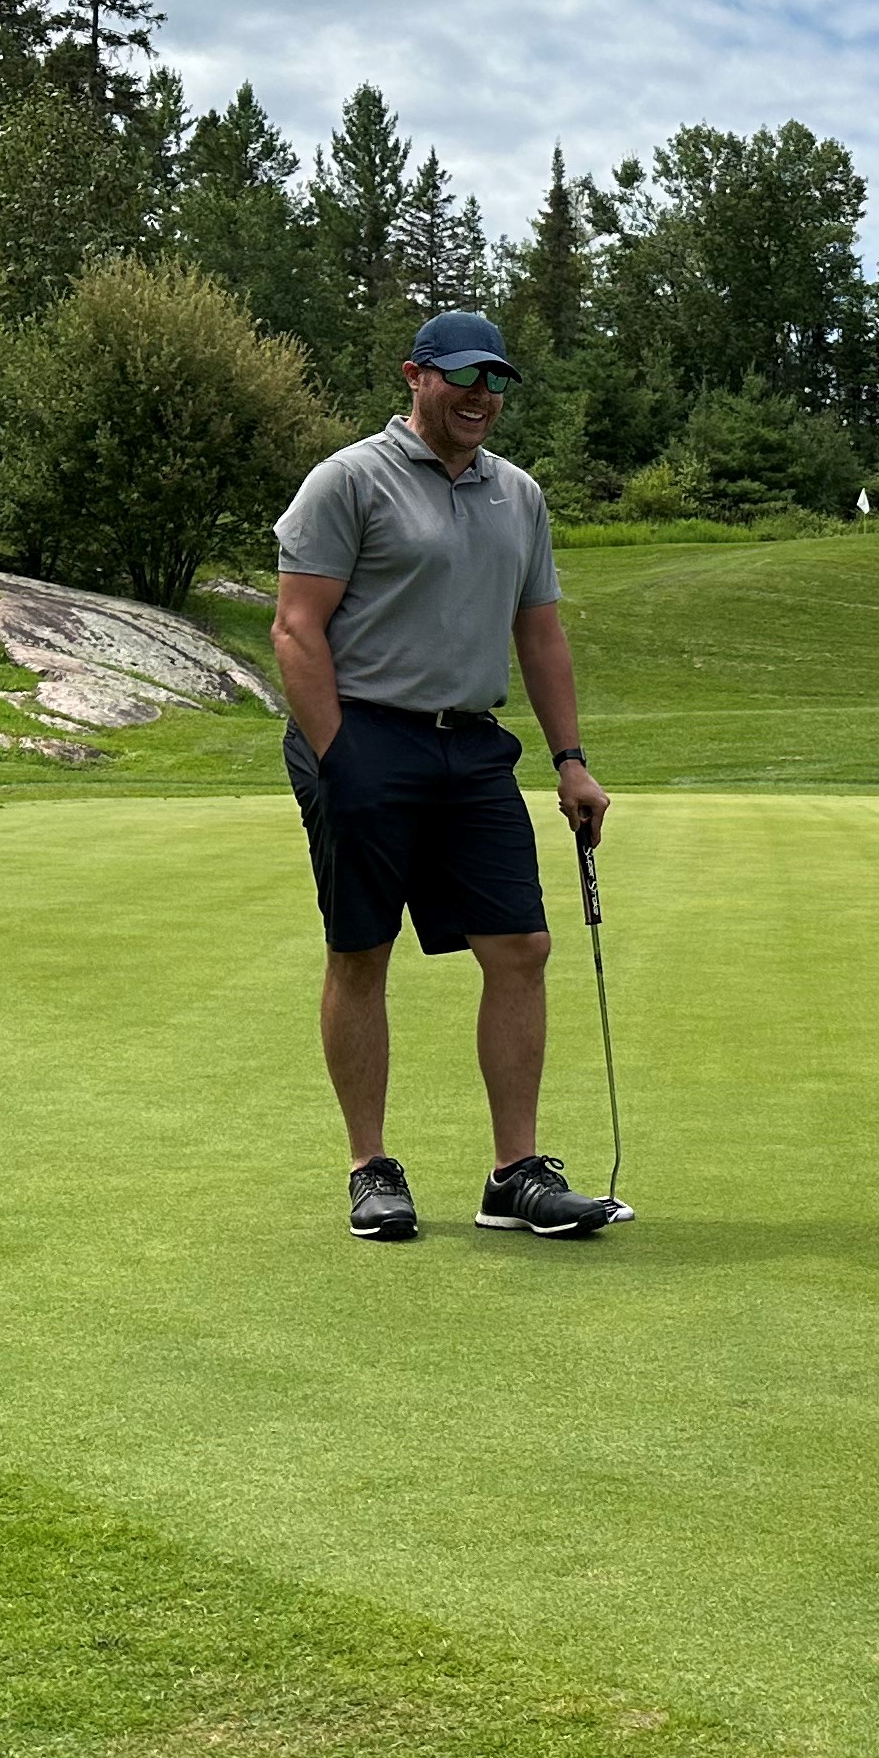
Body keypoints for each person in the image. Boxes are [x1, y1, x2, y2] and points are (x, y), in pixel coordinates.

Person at [269, 310, 624, 1242]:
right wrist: (337, 754)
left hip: (471, 747)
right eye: (463, 377)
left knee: (522, 948)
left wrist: (572, 760)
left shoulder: (520, 496)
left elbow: (538, 632)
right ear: (415, 377)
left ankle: (514, 1174)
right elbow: (297, 629)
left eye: (495, 380)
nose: (481, 396)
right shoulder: (349, 480)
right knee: (361, 950)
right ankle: (370, 1168)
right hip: (362, 736)